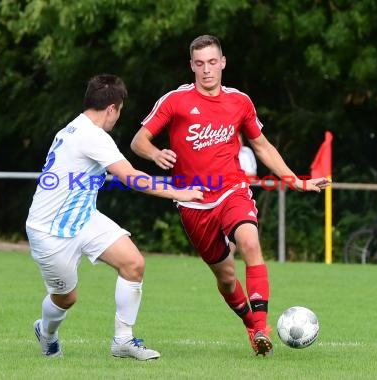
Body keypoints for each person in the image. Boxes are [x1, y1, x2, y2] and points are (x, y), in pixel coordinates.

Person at [131, 35, 331, 356]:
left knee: (250, 243)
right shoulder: (175, 101)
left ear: (223, 62)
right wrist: (155, 154)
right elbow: (139, 140)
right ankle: (251, 326)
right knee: (226, 278)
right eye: (200, 64)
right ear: (191, 66)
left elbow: (261, 146)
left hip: (232, 190)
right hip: (192, 202)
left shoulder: (240, 102)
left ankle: (262, 327)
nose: (207, 70)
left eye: (212, 62)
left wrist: (296, 181)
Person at [25, 74, 203, 360]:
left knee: (133, 263)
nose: (117, 118)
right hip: (50, 231)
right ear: (112, 108)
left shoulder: (74, 128)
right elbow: (131, 177)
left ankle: (123, 341)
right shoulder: (91, 136)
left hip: (82, 217)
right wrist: (179, 193)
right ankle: (46, 332)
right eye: (119, 112)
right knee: (66, 299)